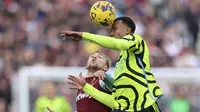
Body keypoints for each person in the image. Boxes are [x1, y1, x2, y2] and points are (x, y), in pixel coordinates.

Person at [62, 16, 164, 112]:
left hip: (144, 105)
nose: (111, 34)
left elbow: (117, 44)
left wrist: (84, 36)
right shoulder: (120, 64)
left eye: (115, 29)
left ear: (127, 30)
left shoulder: (136, 40)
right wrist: (86, 87)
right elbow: (116, 102)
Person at [48, 52, 113, 112]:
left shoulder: (103, 80)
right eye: (92, 56)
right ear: (86, 65)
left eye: (100, 57)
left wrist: (105, 77)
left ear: (105, 67)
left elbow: (119, 90)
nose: (94, 57)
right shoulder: (81, 85)